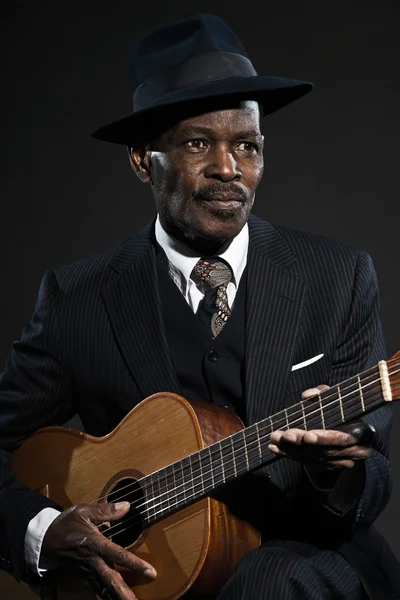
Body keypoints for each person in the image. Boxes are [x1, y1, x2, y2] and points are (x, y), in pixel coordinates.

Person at [0, 13, 399, 600]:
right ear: (143, 159)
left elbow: (372, 475)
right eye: (196, 143)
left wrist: (337, 473)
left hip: (311, 565)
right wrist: (43, 528)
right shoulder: (77, 297)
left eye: (247, 146)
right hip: (153, 581)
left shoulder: (336, 276)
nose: (228, 169)